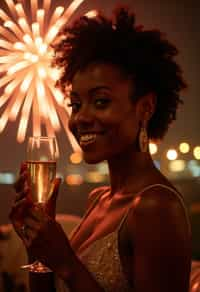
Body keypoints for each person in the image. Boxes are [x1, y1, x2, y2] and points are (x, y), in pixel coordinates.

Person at [9, 6, 191, 292]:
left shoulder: (156, 207)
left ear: (145, 107)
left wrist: (65, 261)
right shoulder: (98, 199)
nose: (80, 118)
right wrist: (38, 244)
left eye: (101, 101)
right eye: (76, 105)